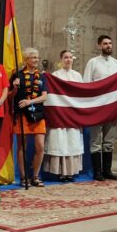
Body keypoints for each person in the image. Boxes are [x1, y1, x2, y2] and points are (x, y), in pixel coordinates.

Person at [83, 35, 117, 181]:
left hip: (112, 106)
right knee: (96, 140)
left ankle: (107, 170)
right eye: (105, 43)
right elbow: (87, 84)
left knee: (109, 140)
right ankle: (97, 172)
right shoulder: (92, 63)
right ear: (99, 45)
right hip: (97, 106)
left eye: (110, 43)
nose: (108, 46)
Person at [44, 50, 85, 182]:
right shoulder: (55, 75)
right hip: (60, 115)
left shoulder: (78, 76)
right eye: (65, 57)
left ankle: (71, 172)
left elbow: (82, 94)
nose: (68, 60)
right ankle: (61, 172)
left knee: (72, 140)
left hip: (73, 114)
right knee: (60, 141)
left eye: (70, 57)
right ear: (61, 60)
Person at [10, 48, 48, 187]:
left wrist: (30, 101)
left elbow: (44, 96)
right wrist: (14, 88)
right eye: (33, 57)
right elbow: (11, 96)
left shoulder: (42, 76)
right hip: (22, 115)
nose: (36, 60)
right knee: (22, 146)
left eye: (37, 57)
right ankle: (23, 177)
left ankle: (35, 176)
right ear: (26, 60)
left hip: (38, 114)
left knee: (40, 146)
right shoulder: (18, 75)